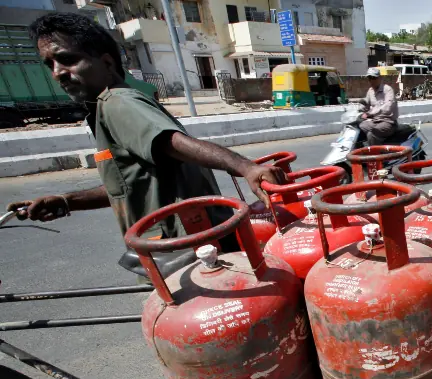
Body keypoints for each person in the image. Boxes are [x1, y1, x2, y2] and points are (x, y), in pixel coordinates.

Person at [6, 13, 286, 253]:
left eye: (67, 60)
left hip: (185, 249)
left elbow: (172, 142)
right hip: (191, 241)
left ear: (106, 63)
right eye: (50, 65)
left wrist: (245, 167)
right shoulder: (112, 106)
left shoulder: (116, 102)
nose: (58, 73)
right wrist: (68, 201)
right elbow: (130, 186)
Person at [359, 67, 398, 145]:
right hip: (375, 121)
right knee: (359, 127)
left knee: (372, 134)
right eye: (369, 78)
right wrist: (361, 107)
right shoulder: (370, 91)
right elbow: (366, 104)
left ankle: (375, 155)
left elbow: (387, 107)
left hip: (388, 122)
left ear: (380, 78)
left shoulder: (387, 90)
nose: (371, 80)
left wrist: (371, 113)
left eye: (374, 78)